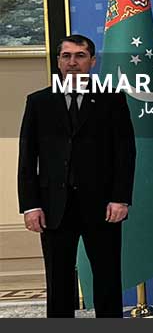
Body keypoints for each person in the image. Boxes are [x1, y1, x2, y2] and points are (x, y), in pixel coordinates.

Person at [18, 34, 136, 317]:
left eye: (80, 56)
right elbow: (27, 158)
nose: (73, 62)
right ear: (58, 61)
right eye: (66, 56)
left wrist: (120, 198)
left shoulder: (112, 99)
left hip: (102, 206)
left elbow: (125, 153)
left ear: (92, 61)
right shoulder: (39, 102)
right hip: (54, 207)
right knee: (58, 280)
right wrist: (30, 205)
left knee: (107, 278)